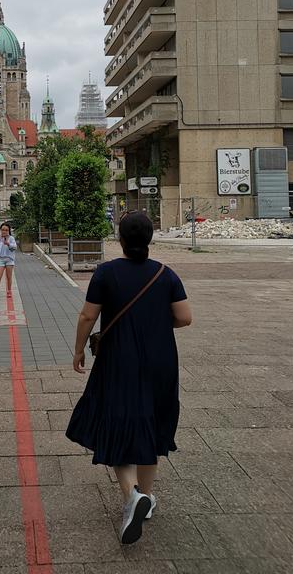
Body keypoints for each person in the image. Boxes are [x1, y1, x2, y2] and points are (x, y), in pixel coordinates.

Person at [66, 211, 192, 545]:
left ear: (120, 239)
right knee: (152, 423)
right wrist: (157, 325)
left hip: (119, 359)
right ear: (149, 239)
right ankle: (146, 500)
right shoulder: (166, 274)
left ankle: (133, 496)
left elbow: (87, 315)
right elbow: (185, 317)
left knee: (118, 422)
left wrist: (79, 350)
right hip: (161, 360)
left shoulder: (106, 273)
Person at [0, 222, 17, 298]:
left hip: (9, 259)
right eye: (2, 230)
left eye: (6, 230)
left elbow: (15, 247)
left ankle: (9, 291)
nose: (4, 231)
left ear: (8, 231)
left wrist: (8, 244)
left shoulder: (11, 238)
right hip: (1, 259)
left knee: (9, 277)